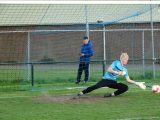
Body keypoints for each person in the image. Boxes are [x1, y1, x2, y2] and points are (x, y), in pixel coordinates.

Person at [74, 53, 146, 98]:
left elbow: (128, 80)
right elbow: (109, 69)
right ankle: (81, 92)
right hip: (106, 80)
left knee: (125, 87)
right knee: (96, 86)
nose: (127, 61)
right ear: (123, 59)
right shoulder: (116, 63)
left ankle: (112, 95)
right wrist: (118, 73)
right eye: (126, 59)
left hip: (113, 81)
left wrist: (137, 83)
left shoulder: (125, 70)